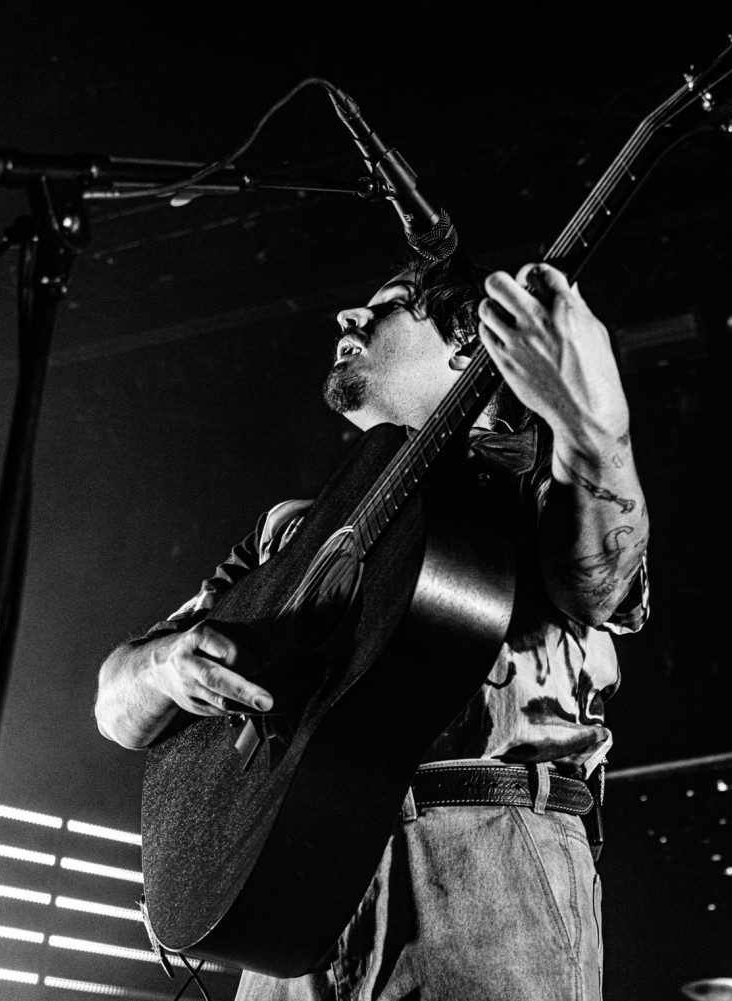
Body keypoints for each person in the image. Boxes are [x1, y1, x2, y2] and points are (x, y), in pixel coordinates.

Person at [94, 250, 649, 1001]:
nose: (348, 317)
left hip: (479, 865)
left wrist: (593, 433)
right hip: (291, 880)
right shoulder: (290, 533)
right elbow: (117, 709)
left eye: (390, 306)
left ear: (469, 343)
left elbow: (600, 581)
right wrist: (166, 664)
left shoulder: (536, 479)